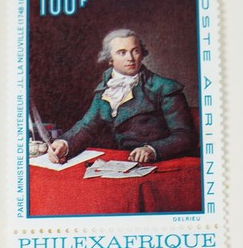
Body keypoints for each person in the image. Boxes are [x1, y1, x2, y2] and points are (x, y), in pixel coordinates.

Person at [48, 29, 197, 164]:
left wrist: (152, 150)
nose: (130, 58)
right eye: (122, 52)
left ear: (142, 53)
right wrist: (64, 143)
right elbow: (87, 126)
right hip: (121, 164)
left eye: (135, 51)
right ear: (110, 59)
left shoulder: (164, 87)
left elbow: (185, 136)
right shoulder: (105, 89)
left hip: (160, 163)